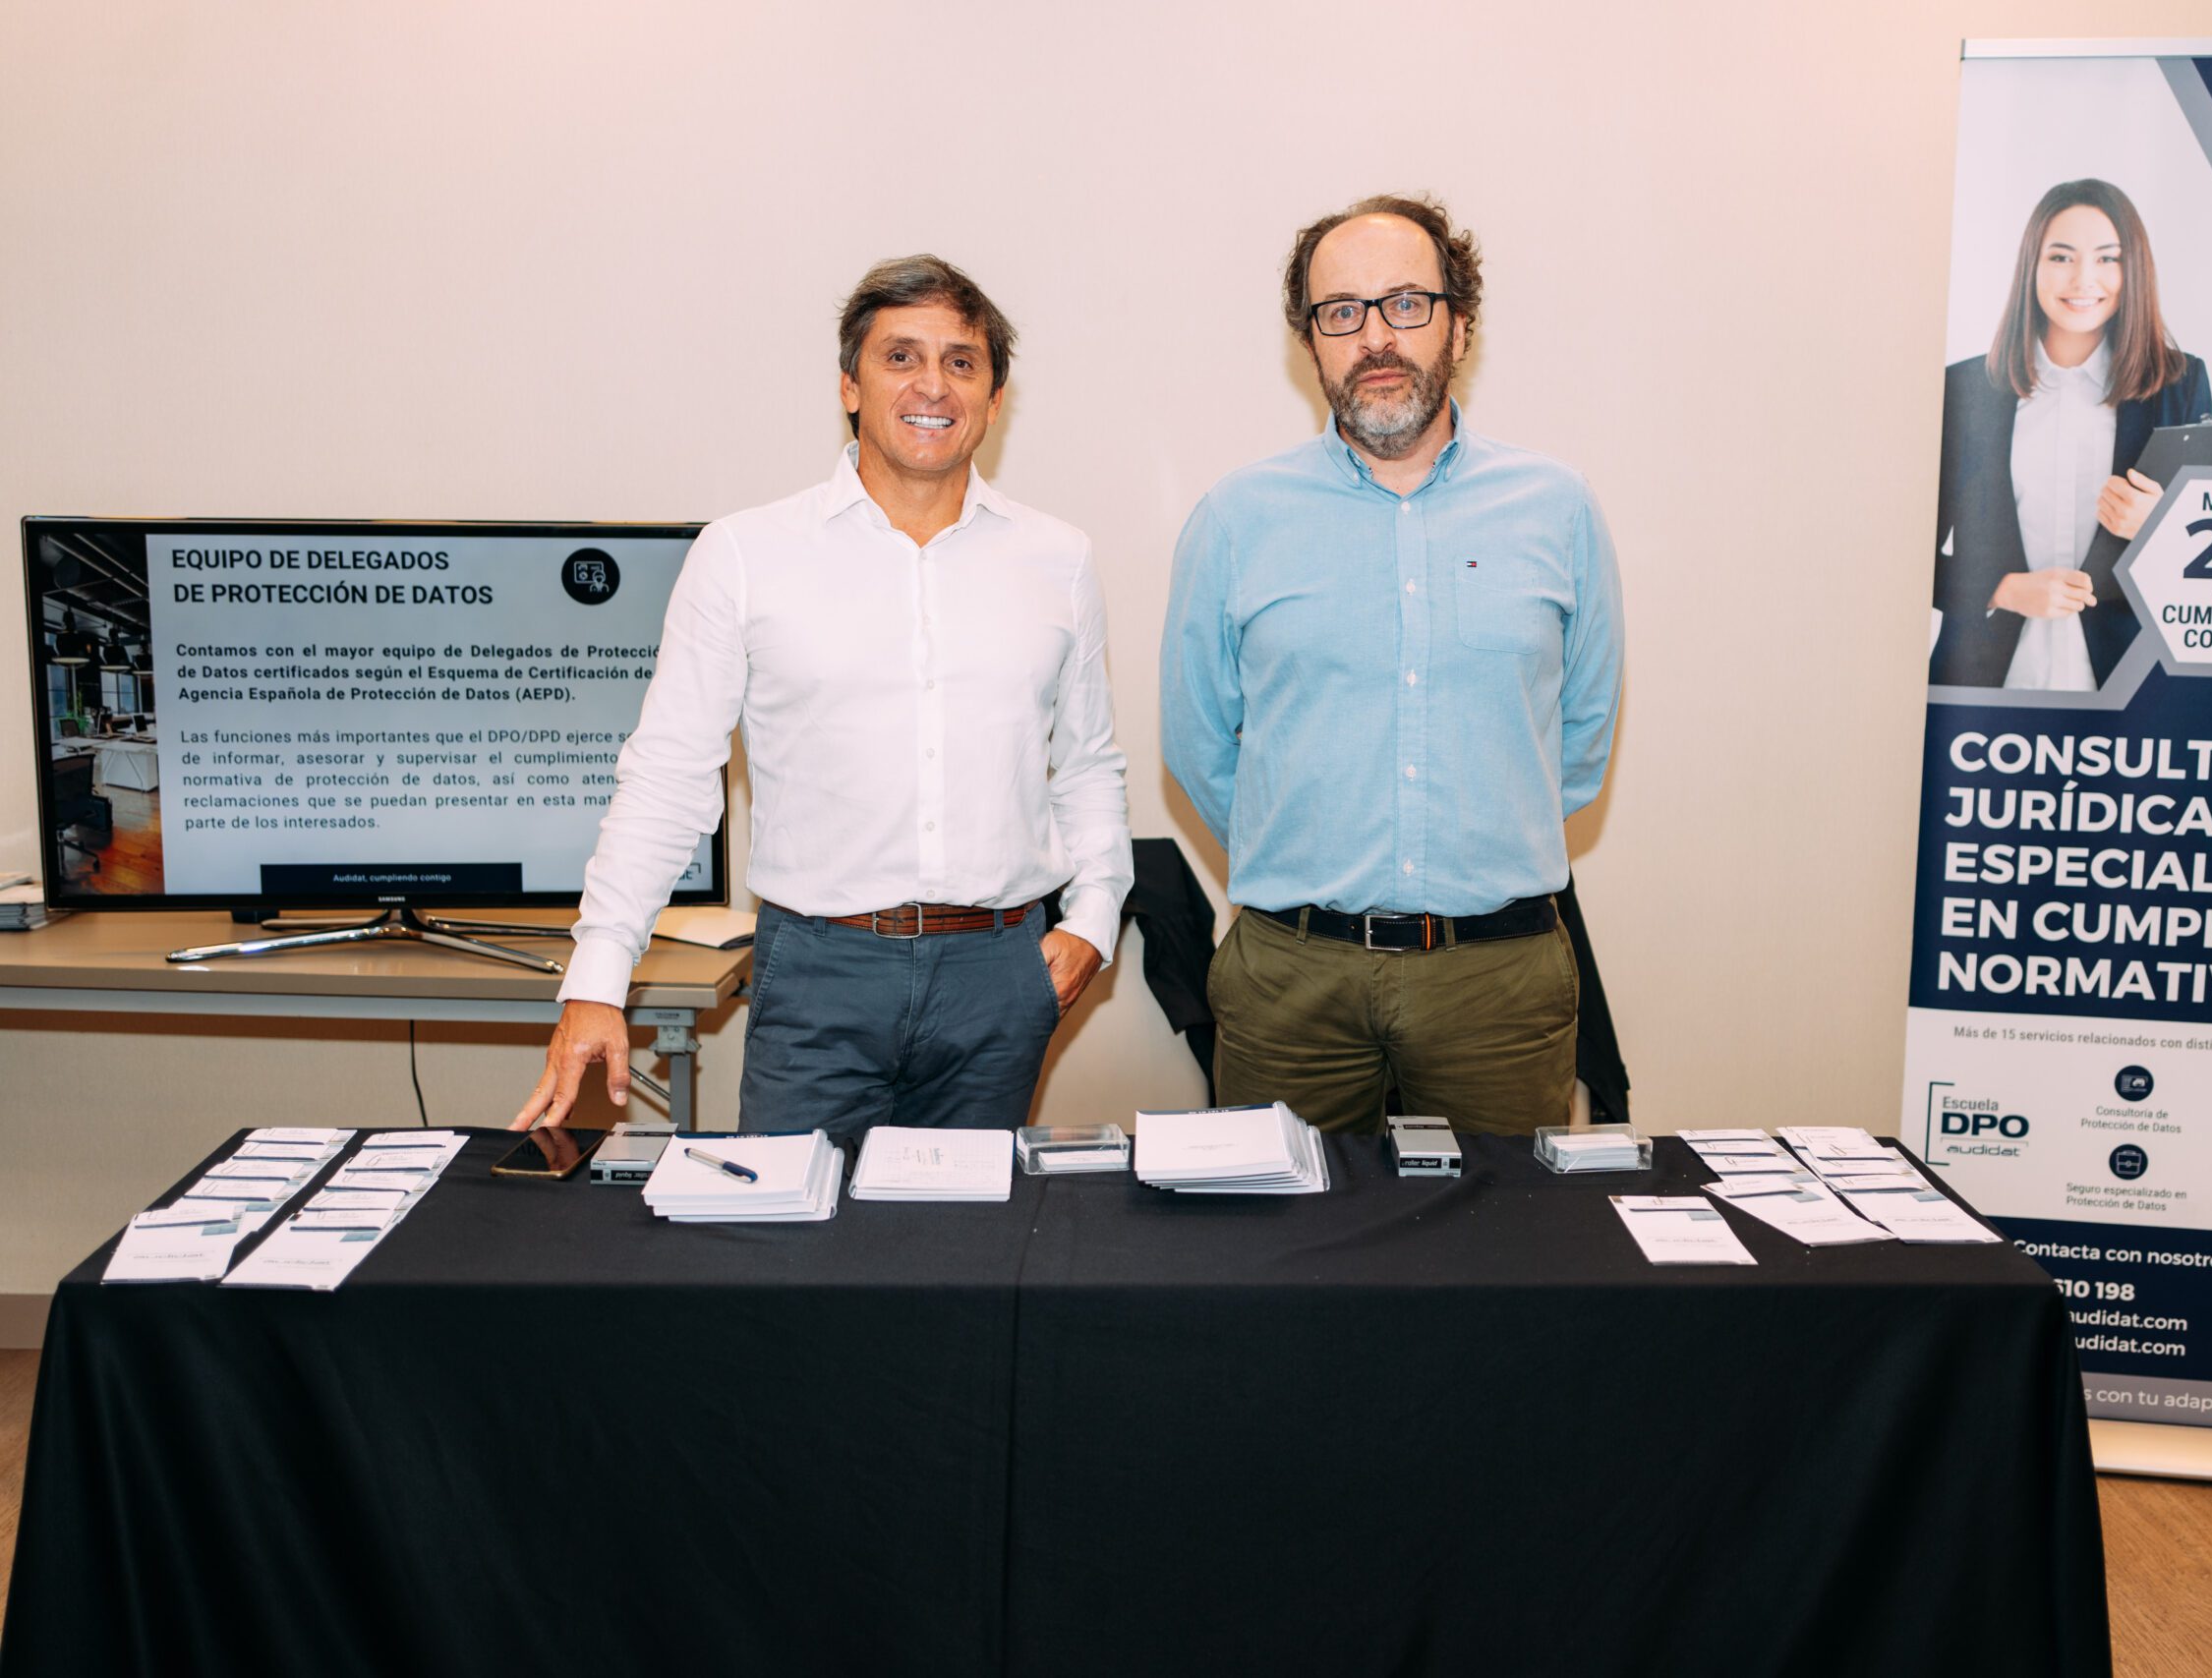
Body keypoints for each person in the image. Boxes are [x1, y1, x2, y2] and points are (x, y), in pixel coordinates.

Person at [513, 256, 1130, 1140]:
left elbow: (1089, 761)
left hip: (1000, 975)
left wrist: (1095, 921)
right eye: (900, 357)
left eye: (962, 362)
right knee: (788, 1255)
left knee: (964, 1261)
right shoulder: (744, 553)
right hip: (820, 968)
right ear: (849, 384)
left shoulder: (1058, 559)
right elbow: (668, 776)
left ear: (996, 399)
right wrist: (598, 977)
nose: (933, 385)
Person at [1161, 193, 1624, 1135]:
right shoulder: (1236, 518)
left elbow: (1578, 742)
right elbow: (1199, 744)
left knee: (1499, 1261)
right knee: (1280, 1262)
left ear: (1461, 322)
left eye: (1406, 303)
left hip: (1497, 976)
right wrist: (1300, 848)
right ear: (1311, 340)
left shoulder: (1558, 508)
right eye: (1343, 312)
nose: (1376, 336)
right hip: (1290, 978)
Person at [1929, 179, 2212, 691]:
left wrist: (2163, 523)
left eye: (2108, 259)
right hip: (1982, 688)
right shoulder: (1963, 389)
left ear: (2135, 271)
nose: (2084, 279)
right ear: (2031, 268)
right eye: (2061, 257)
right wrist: (2002, 590)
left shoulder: (2180, 385)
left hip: (2131, 691)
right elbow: (1904, 554)